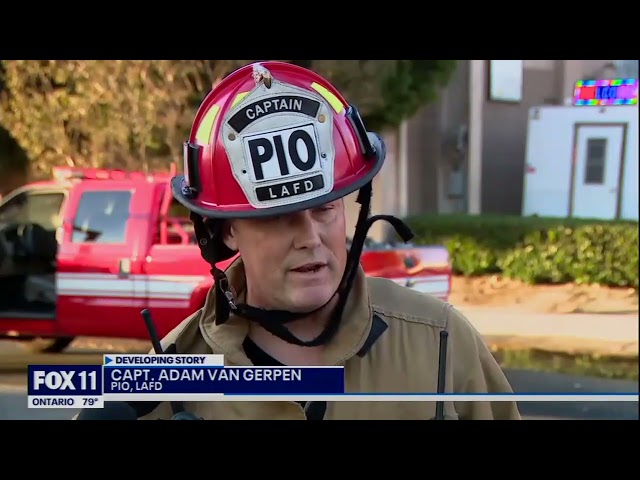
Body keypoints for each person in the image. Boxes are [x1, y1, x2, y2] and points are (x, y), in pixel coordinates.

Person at [137, 61, 521, 420]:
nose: (310, 238)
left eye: (325, 209)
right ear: (226, 230)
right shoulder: (167, 376)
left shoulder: (440, 342)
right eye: (277, 218)